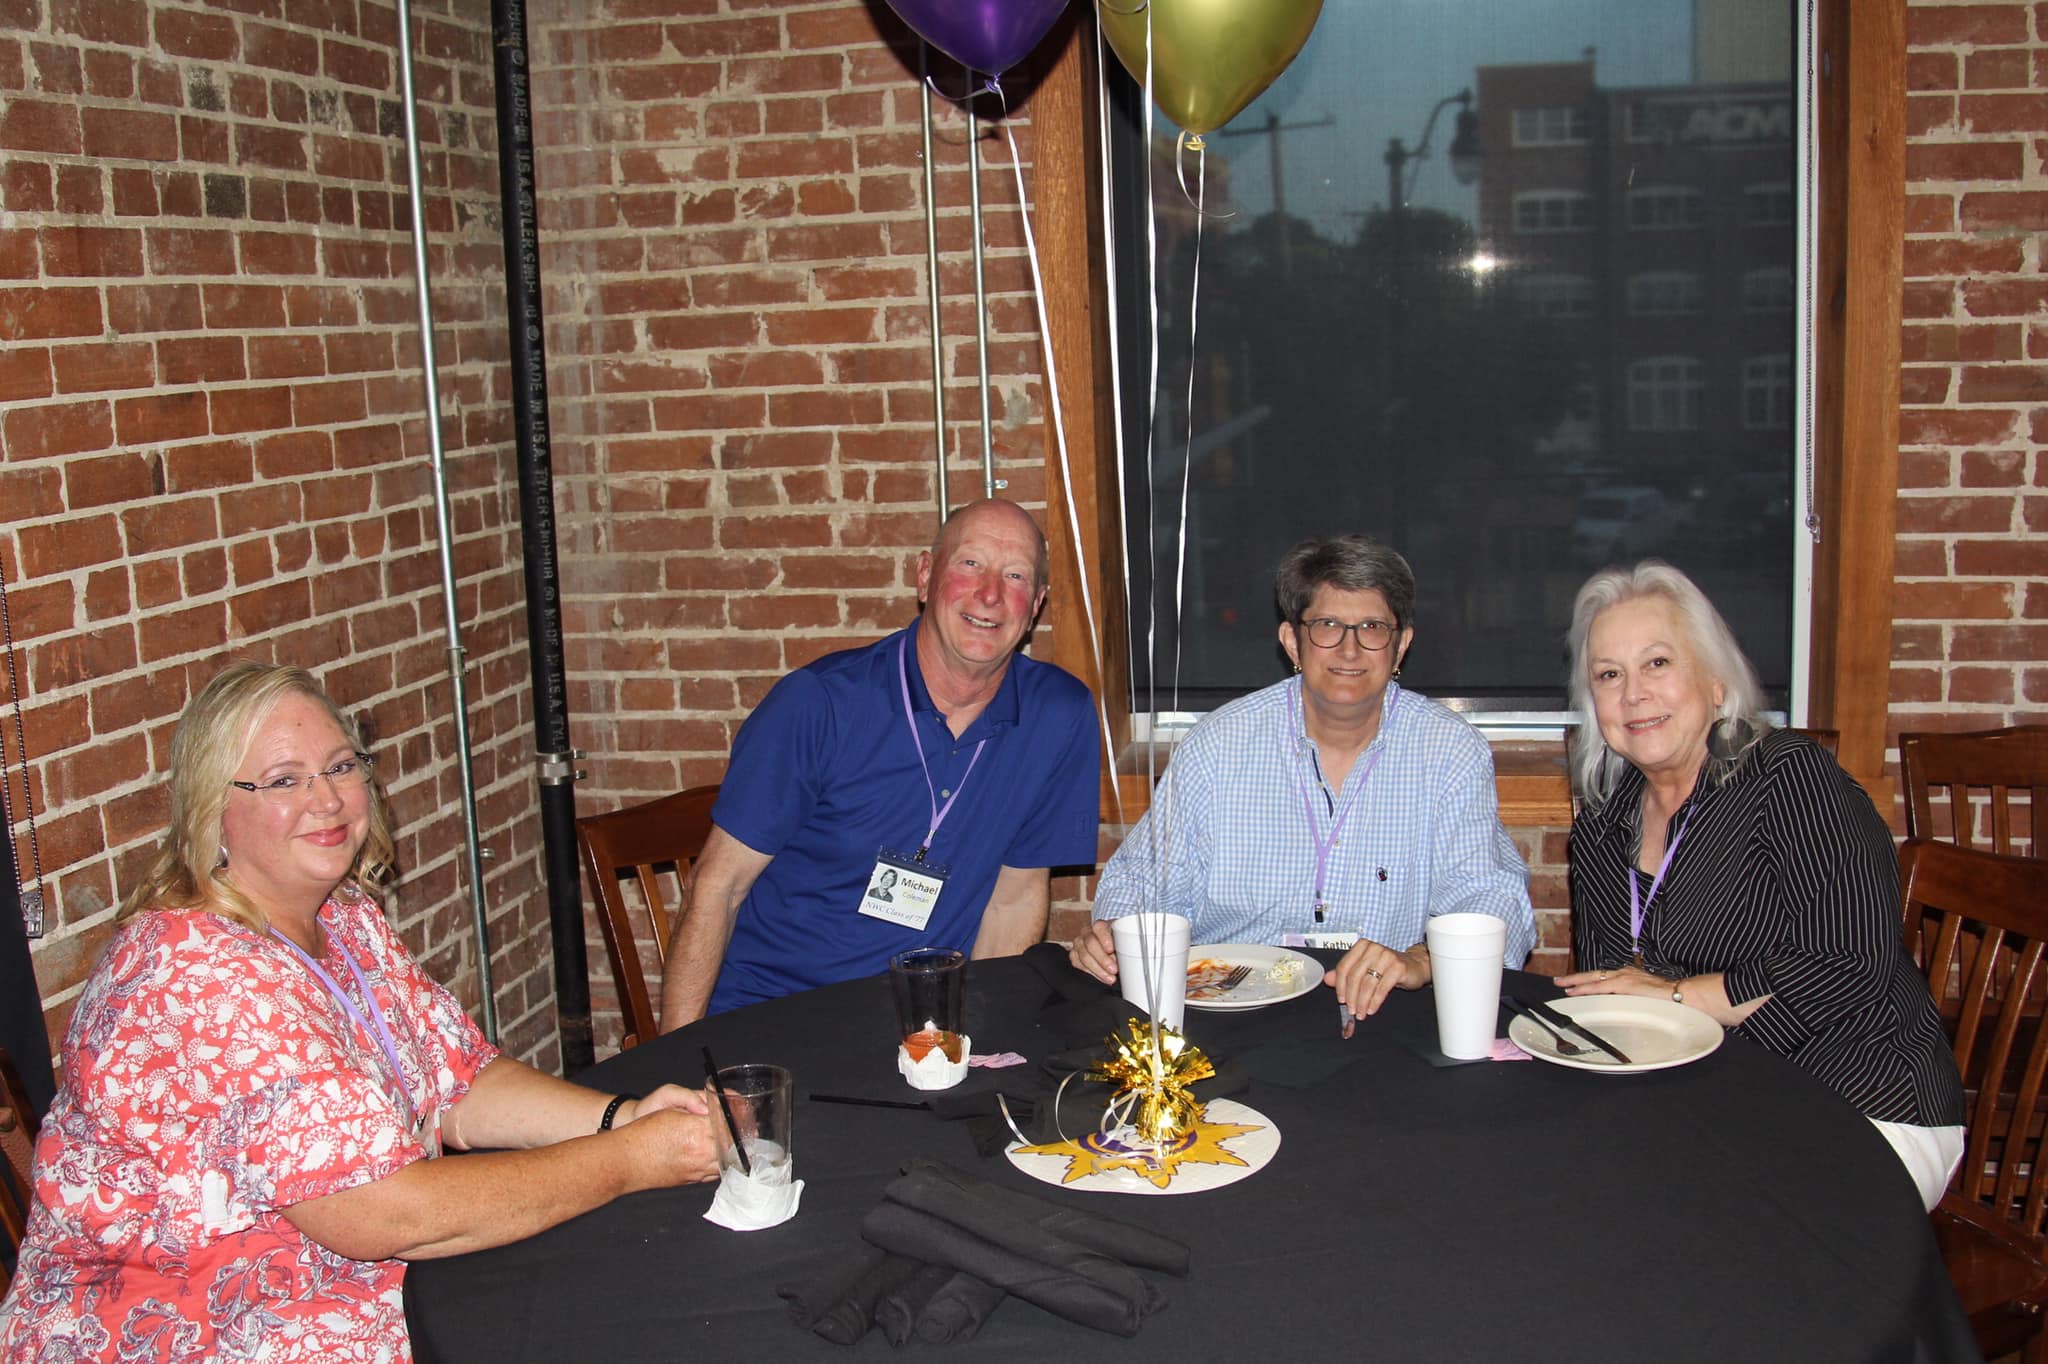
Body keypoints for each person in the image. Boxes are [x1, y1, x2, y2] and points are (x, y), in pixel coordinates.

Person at [0, 664, 720, 1361]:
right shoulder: (199, 973)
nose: (329, 800)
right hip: (206, 1328)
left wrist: (623, 1118)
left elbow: (458, 1082)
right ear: (210, 811)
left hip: (355, 1288)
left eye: (342, 767)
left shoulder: (343, 918)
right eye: (284, 780)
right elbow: (383, 1215)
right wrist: (627, 1162)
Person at [1554, 561, 1964, 1210]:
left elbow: (1851, 964)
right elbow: (1619, 995)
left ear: (1715, 684)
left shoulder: (1788, 777)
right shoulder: (1604, 824)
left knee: (1724, 1247)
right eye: (1608, 675)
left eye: (1657, 663)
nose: (1633, 693)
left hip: (1862, 1096)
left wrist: (1681, 1000)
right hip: (1717, 1101)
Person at [661, 499, 1099, 1024]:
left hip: (924, 1027)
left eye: (1015, 575)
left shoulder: (1059, 715)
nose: (990, 594)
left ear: (1036, 605)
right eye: (969, 564)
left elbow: (1014, 898)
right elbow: (717, 887)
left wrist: (983, 1041)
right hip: (776, 1017)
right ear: (924, 576)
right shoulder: (818, 704)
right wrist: (677, 1063)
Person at [1070, 535, 1535, 1022]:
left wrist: (1420, 957)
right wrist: (1114, 932)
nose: (1350, 649)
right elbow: (1144, 882)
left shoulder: (1449, 752)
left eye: (1373, 627)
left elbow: (1488, 895)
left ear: (1401, 646)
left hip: (1381, 1010)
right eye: (1328, 625)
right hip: (1228, 1011)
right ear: (1293, 640)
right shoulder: (1220, 744)